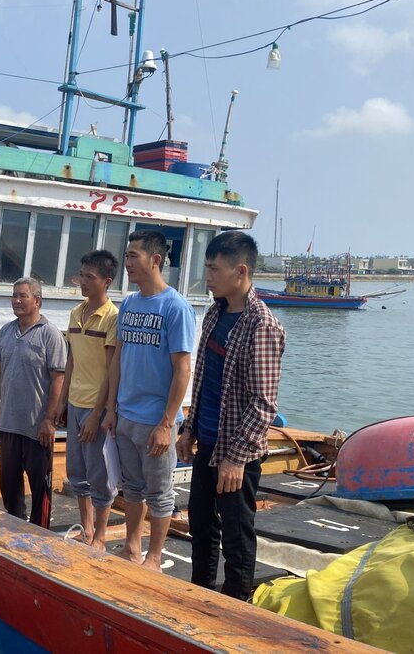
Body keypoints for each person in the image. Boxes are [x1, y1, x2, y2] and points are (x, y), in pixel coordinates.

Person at [176, 230, 286, 601]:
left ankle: (237, 606)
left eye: (213, 269)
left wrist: (235, 459)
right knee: (201, 525)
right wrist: (189, 428)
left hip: (238, 454)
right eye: (206, 267)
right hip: (207, 441)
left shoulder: (262, 325)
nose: (207, 276)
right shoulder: (214, 313)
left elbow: (264, 403)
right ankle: (201, 596)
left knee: (237, 536)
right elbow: (205, 380)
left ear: (240, 271)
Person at [102, 230, 195, 571]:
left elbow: (182, 368)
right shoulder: (128, 304)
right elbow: (118, 359)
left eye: (133, 256)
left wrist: (167, 423)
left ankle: (154, 557)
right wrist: (111, 408)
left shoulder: (176, 307)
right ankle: (131, 547)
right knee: (132, 489)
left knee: (159, 492)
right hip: (125, 415)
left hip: (156, 421)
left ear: (155, 260)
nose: (127, 263)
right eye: (126, 256)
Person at [51, 250, 119, 548]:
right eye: (82, 275)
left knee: (100, 474)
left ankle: (101, 535)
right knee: (77, 471)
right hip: (75, 402)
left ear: (107, 281)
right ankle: (87, 528)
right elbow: (72, 361)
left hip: (97, 407)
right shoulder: (75, 313)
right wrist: (61, 401)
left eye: (91, 277)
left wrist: (98, 414)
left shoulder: (113, 317)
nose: (84, 282)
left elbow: (110, 370)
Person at [0, 277, 66, 528]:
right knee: (9, 482)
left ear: (37, 301)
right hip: (9, 423)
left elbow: (58, 379)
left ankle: (41, 532)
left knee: (39, 486)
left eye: (22, 296)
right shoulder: (6, 332)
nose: (16, 300)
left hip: (37, 429)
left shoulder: (50, 335)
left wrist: (49, 420)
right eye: (14, 295)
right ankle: (14, 525)